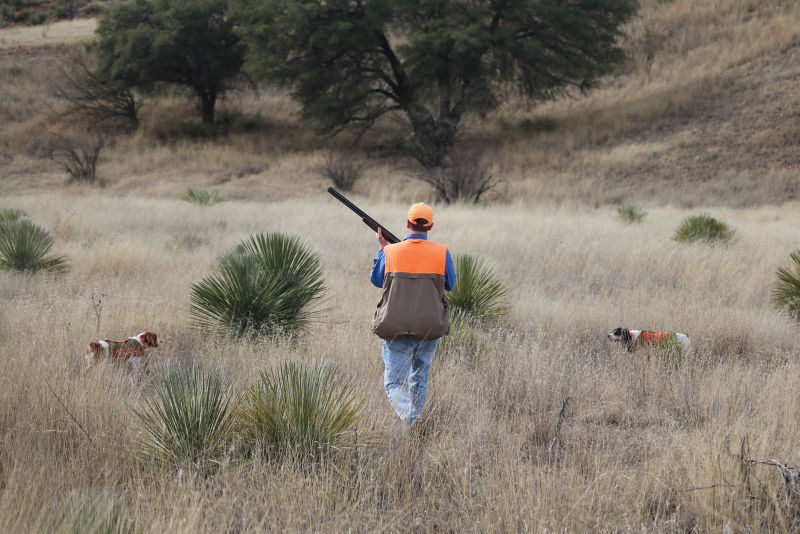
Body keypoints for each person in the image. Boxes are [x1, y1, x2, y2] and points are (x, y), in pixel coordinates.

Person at [370, 202, 456, 428]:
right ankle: (416, 427)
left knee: (394, 383)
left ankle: (411, 418)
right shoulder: (442, 252)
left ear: (407, 223)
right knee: (419, 379)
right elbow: (451, 285)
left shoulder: (390, 251)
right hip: (429, 327)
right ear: (431, 226)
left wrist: (382, 249)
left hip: (396, 327)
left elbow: (376, 280)